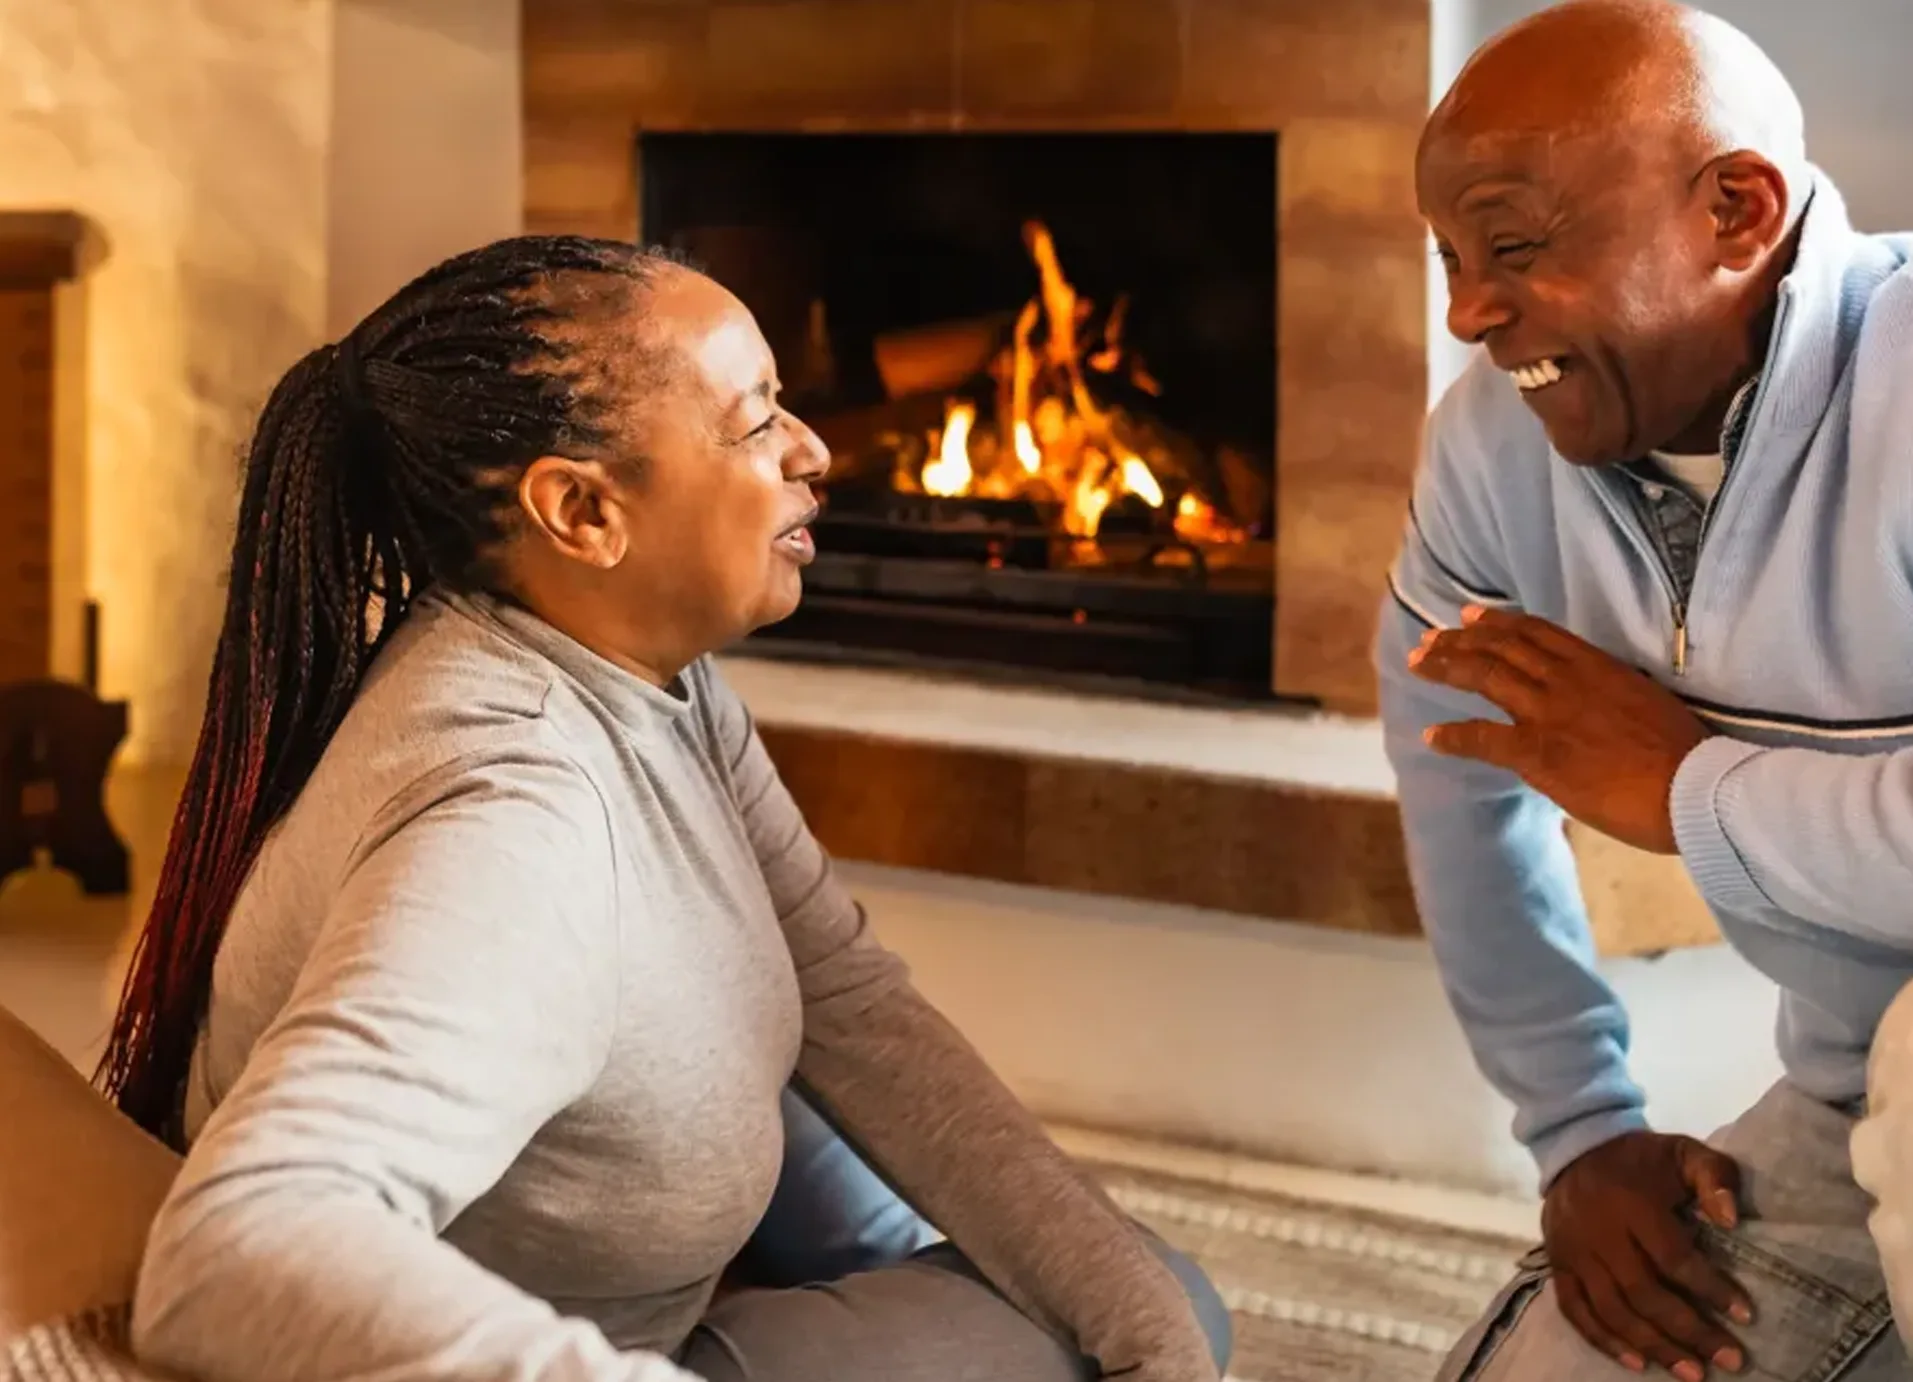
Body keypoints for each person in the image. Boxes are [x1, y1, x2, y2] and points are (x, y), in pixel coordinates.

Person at [98, 237, 1232, 1382]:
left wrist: (1142, 1323)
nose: (815, 450)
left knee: (1133, 1295)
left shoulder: (642, 665)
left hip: (648, 1144)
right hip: (610, 1332)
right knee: (1155, 1300)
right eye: (755, 423)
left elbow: (843, 992)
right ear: (583, 511)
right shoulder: (513, 827)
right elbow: (230, 1248)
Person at [1378, 1, 1913, 1378]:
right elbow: (1453, 775)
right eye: (1447, 258)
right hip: (1850, 1102)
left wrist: (1687, 791)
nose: (1467, 312)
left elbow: (1677, 792)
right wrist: (1581, 1129)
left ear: (1736, 209)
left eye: (1512, 245)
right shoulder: (1491, 455)